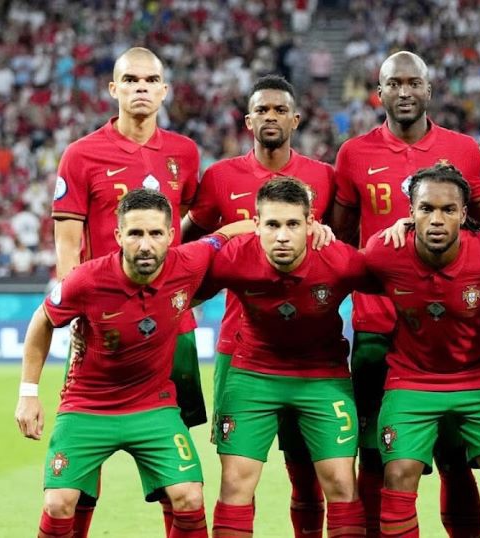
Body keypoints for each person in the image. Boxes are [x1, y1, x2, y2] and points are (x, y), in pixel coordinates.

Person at [15, 189, 250, 538]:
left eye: (155, 233)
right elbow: (43, 319)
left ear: (171, 235)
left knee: (189, 495)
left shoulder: (189, 261)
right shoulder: (87, 280)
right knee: (58, 503)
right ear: (118, 235)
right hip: (88, 407)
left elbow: (225, 234)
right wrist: (28, 393)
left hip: (153, 406)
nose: (145, 244)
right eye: (135, 233)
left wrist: (285, 227)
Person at [328, 51, 480, 537]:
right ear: (378, 92)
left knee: (454, 457)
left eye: (413, 83)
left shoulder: (464, 150)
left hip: (450, 329)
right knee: (376, 453)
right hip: (377, 326)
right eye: (394, 83)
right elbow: (343, 238)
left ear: (429, 90)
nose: (404, 92)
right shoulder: (353, 153)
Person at [50, 47, 203, 536]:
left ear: (164, 90)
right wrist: (77, 313)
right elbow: (67, 244)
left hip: (172, 325)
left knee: (177, 464)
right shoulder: (81, 154)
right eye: (131, 79)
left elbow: (191, 224)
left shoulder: (185, 153)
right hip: (102, 326)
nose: (141, 87)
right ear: (113, 89)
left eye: (150, 79)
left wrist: (182, 284)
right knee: (82, 457)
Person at [182, 74, 334, 538]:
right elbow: (186, 245)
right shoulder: (220, 177)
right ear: (248, 121)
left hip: (310, 351)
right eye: (262, 111)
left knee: (307, 475)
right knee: (237, 475)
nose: (271, 117)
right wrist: (222, 238)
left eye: (279, 110)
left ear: (295, 119)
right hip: (240, 347)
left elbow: (345, 250)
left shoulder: (324, 177)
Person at [364, 164, 480, 538]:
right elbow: (334, 274)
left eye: (448, 210)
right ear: (410, 212)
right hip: (411, 380)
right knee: (397, 473)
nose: (436, 219)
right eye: (426, 208)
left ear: (463, 214)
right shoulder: (384, 253)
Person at [199, 178, 367, 537]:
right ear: (256, 225)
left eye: (293, 224)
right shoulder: (234, 257)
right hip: (253, 375)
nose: (282, 236)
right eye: (273, 225)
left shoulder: (341, 261)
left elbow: (403, 280)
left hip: (322, 377)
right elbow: (177, 294)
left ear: (311, 225)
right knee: (234, 484)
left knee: (341, 483)